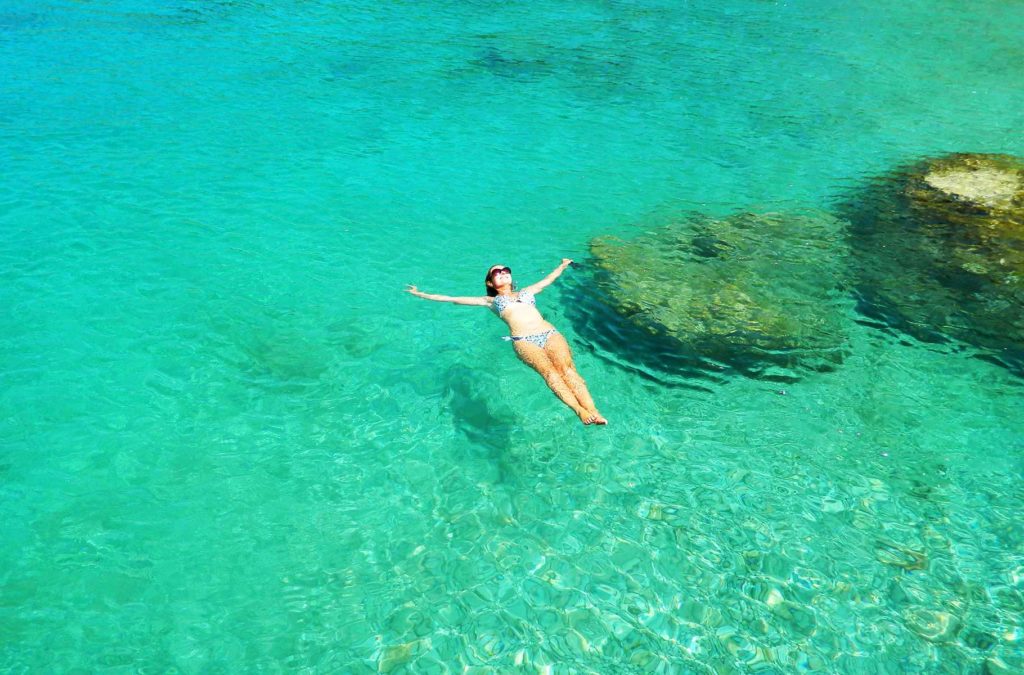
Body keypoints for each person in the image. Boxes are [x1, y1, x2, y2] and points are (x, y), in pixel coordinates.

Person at [406, 260, 607, 425]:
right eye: (496, 272)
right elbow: (452, 299)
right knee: (550, 373)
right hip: (524, 340)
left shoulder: (527, 291)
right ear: (491, 283)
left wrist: (563, 265)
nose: (502, 272)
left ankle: (593, 409)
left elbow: (548, 280)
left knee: (568, 370)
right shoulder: (489, 301)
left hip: (549, 333)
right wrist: (420, 294)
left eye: (505, 270)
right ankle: (579, 410)